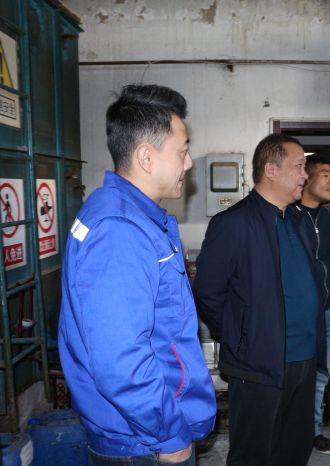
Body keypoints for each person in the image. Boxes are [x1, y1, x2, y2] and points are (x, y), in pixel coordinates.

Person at [58, 84, 216, 466]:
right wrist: (169, 436)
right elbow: (120, 361)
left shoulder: (126, 215)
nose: (188, 164)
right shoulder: (120, 230)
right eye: (182, 151)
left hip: (143, 434)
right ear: (146, 157)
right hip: (144, 443)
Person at [194, 134, 325, 466]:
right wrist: (241, 336)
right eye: (299, 166)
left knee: (294, 448)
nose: (305, 175)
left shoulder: (300, 220)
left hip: (304, 357)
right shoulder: (233, 223)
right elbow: (208, 293)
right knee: (253, 453)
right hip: (258, 363)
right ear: (271, 170)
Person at [290, 155, 330, 454]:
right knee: (293, 374)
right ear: (306, 177)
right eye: (325, 175)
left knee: (321, 373)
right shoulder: (288, 217)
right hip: (296, 313)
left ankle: (312, 431)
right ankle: (288, 431)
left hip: (326, 311)